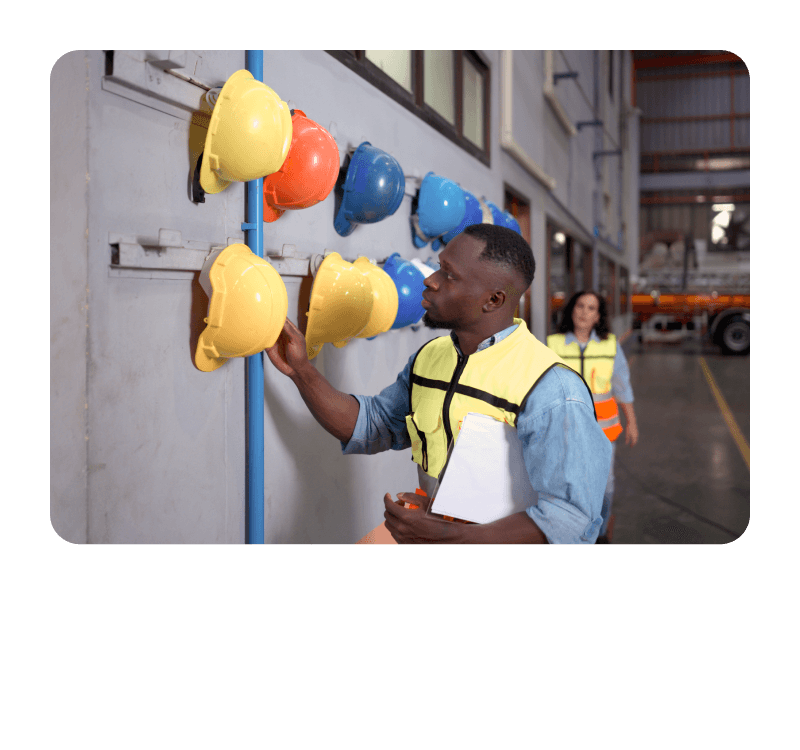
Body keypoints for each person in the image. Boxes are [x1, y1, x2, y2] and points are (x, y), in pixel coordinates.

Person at [265, 224, 612, 544]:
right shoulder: (430, 357)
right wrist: (301, 371)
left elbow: (571, 518)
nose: (430, 280)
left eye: (449, 275)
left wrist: (452, 536)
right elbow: (370, 424)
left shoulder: (551, 388)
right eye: (438, 267)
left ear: (493, 300)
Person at [547, 291, 639, 543]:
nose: (584, 312)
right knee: (562, 485)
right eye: (580, 306)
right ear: (571, 309)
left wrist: (631, 422)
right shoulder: (552, 345)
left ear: (598, 316)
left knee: (604, 487)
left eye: (591, 308)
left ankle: (598, 534)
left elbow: (621, 386)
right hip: (563, 431)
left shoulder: (610, 346)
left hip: (602, 433)